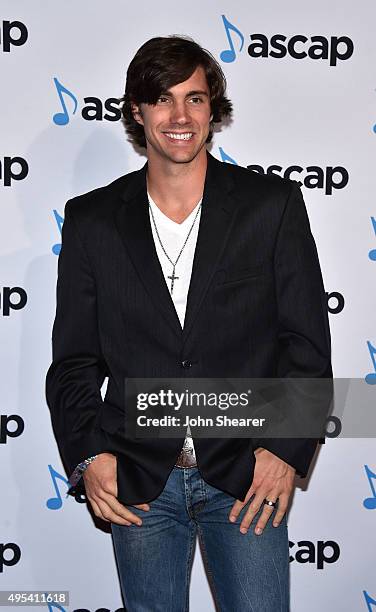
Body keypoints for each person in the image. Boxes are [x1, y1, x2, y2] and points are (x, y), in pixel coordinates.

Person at [45, 35, 332, 611]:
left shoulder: (270, 205)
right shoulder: (92, 220)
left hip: (246, 475)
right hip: (141, 481)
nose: (180, 116)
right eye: (163, 99)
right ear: (137, 110)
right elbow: (73, 362)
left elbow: (306, 344)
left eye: (195, 99)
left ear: (212, 109)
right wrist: (90, 456)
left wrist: (286, 449)